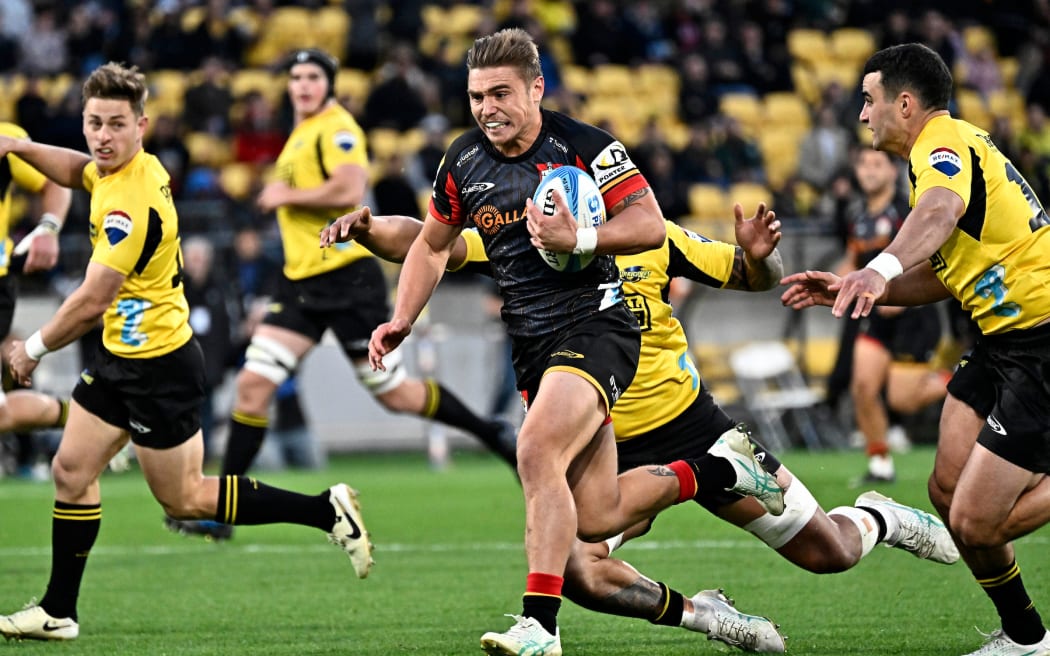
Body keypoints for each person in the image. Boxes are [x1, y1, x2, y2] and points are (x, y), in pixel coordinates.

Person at [324, 196, 960, 651]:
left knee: (832, 553)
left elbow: (752, 276)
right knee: (575, 569)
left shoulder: (654, 238)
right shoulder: (529, 239)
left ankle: (883, 515)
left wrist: (760, 258)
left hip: (690, 426)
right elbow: (434, 240)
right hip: (604, 443)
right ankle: (706, 618)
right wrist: (369, 227)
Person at [361, 28, 794, 656]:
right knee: (596, 514)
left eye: (501, 93)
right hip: (535, 347)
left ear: (537, 89)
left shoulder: (586, 148)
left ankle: (540, 626)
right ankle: (724, 469)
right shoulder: (462, 160)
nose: (487, 109)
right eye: (477, 96)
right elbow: (431, 245)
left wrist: (579, 241)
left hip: (598, 326)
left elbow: (646, 223)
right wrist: (402, 317)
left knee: (535, 450)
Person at [0, 62, 373, 642]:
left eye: (115, 125)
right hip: (120, 359)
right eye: (94, 122)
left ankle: (325, 510)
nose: (102, 136)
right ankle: (58, 610)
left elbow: (94, 298)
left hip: (157, 369)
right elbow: (76, 170)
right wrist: (15, 145)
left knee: (186, 498)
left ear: (142, 124)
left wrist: (33, 348)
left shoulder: (131, 201)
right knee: (70, 470)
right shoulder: (115, 169)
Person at [178, 47, 518, 542]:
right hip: (299, 283)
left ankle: (492, 433)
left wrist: (285, 195)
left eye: (313, 76)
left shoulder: (338, 127)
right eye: (295, 77)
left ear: (329, 84)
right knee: (253, 387)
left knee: (397, 395)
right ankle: (222, 513)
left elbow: (349, 188)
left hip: (346, 279)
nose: (303, 85)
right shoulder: (299, 134)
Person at [781, 43, 1050, 656]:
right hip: (1000, 340)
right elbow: (944, 272)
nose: (862, 114)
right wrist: (862, 289)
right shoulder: (935, 156)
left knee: (976, 524)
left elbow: (940, 209)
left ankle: (1029, 639)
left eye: (870, 100)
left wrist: (877, 267)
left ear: (905, 103)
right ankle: (1027, 639)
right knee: (947, 488)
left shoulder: (942, 146)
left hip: (1041, 340)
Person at [837, 146, 948, 483]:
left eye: (877, 164)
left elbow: (926, 254)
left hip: (912, 316)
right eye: (864, 164)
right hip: (875, 313)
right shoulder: (856, 215)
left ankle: (961, 377)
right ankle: (880, 465)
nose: (869, 170)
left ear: (891, 172)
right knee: (863, 387)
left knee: (903, 398)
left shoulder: (905, 210)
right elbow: (852, 259)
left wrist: (899, 293)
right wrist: (833, 287)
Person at [0, 121, 76, 466]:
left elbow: (55, 181)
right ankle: (86, 417)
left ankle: (87, 419)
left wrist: (48, 227)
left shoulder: (6, 138)